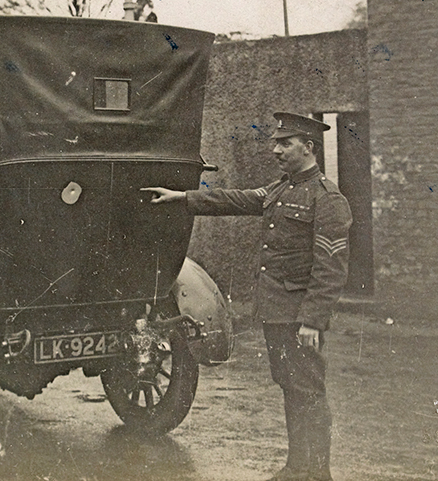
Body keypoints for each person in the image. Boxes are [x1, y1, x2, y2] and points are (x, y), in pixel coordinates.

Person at [142, 112, 352, 481]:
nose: (275, 150)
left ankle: (318, 474)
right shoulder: (280, 189)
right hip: (276, 312)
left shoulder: (328, 199)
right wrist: (182, 197)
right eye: (275, 142)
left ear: (309, 147)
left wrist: (313, 321)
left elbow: (330, 268)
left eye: (284, 143)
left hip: (299, 317)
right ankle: (296, 467)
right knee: (290, 387)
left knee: (309, 392)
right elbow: (236, 199)